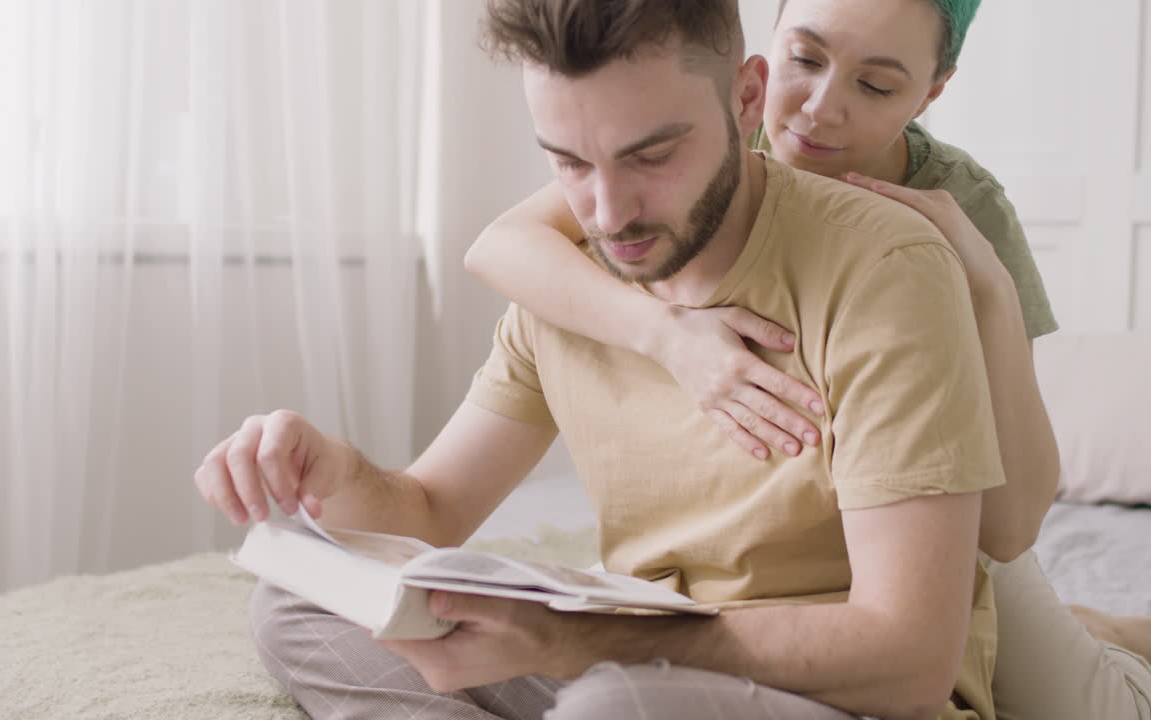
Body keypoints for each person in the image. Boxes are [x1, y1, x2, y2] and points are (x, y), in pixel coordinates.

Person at [198, 1, 1016, 717]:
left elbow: (911, 659)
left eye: (652, 157)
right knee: (299, 604)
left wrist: (574, 642)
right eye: (568, 162)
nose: (609, 212)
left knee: (613, 706)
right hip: (632, 661)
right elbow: (431, 510)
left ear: (746, 100)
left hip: (832, 691)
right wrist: (336, 474)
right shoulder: (571, 283)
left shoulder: (885, 267)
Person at [462, 0, 1151, 717]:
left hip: (943, 516)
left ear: (931, 92)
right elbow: (500, 246)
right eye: (806, 59)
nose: (820, 109)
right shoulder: (703, 145)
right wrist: (666, 335)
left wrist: (989, 287)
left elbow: (1008, 529)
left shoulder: (957, 208)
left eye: (875, 85)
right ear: (759, 72)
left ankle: (1121, 643)